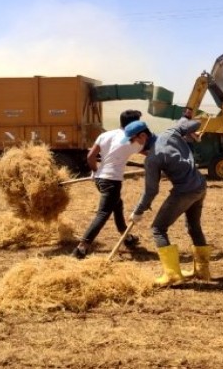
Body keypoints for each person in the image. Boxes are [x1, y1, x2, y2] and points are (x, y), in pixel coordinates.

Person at [125, 119, 211, 287]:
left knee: (158, 229)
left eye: (131, 141)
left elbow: (151, 191)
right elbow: (196, 123)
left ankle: (172, 275)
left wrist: (138, 211)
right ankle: (202, 271)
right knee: (194, 227)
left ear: (142, 136)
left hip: (185, 191)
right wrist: (193, 134)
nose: (130, 145)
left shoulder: (152, 159)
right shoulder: (170, 132)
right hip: (200, 185)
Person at [70, 109, 144, 259]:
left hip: (100, 179)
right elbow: (150, 153)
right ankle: (81, 248)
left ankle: (127, 238)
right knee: (103, 213)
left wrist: (95, 172)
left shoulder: (105, 135)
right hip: (112, 181)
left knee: (117, 205)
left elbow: (91, 156)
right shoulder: (133, 141)